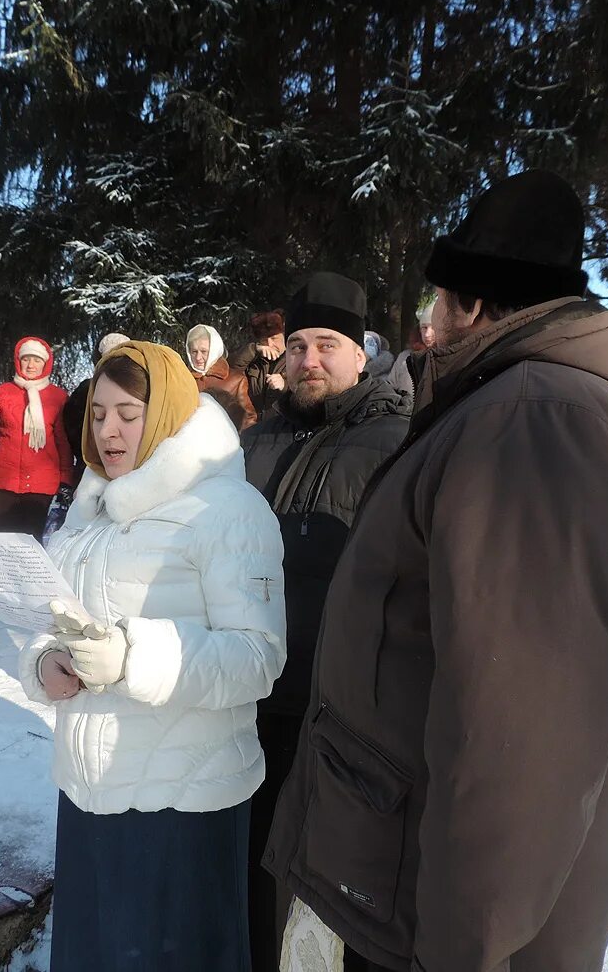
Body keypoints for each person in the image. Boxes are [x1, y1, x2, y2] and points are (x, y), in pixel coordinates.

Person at [263, 170, 608, 972]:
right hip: (401, 881)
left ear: (477, 305)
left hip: (431, 920)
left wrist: (462, 950)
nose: (424, 329)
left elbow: (519, 736)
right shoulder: (521, 407)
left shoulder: (534, 422)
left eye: (436, 305)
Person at [16, 341, 285, 972]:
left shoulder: (228, 511)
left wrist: (132, 658)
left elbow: (257, 658)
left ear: (166, 414)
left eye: (129, 413)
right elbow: (46, 620)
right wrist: (43, 662)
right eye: (99, 413)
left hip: (180, 802)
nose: (109, 430)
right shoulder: (90, 511)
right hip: (87, 791)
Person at [240, 272, 411, 972]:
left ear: (361, 352)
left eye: (328, 345)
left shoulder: (402, 441)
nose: (310, 360)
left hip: (348, 722)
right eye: (300, 345)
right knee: (256, 887)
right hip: (253, 706)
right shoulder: (255, 444)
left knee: (336, 911)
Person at [0, 336, 73, 540]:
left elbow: (63, 441)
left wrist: (66, 480)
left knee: (31, 541)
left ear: (45, 363)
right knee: (4, 541)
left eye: (36, 360)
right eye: (26, 359)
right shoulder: (2, 393)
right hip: (4, 481)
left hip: (41, 483)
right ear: (19, 361)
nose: (31, 365)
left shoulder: (58, 397)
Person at [63, 332, 130, 484]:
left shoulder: (139, 388)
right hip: (92, 465)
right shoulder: (87, 389)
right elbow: (71, 424)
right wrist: (87, 451)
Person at [186, 323, 257, 429]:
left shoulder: (236, 380)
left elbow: (249, 419)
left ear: (215, 350)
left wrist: (235, 442)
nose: (198, 357)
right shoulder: (183, 379)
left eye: (204, 351)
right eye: (194, 352)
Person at [229, 310, 288, 417]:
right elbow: (233, 370)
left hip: (282, 427)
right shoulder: (254, 360)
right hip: (254, 426)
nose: (270, 344)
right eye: (265, 339)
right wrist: (253, 350)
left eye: (274, 338)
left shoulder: (294, 360)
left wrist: (285, 386)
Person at [389, 303, 437, 399]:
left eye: (433, 327)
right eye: (424, 327)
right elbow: (389, 388)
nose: (427, 334)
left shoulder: (451, 359)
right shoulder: (405, 358)